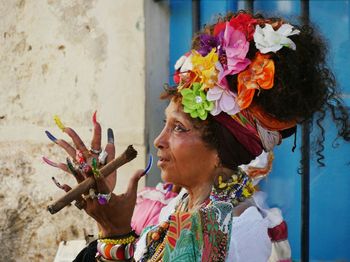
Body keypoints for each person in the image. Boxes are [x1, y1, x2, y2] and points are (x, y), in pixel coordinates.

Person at [45, 11, 350, 261]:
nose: (158, 140)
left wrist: (112, 232)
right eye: (166, 124)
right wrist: (114, 228)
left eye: (178, 128)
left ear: (221, 148)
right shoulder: (179, 206)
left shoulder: (237, 231)